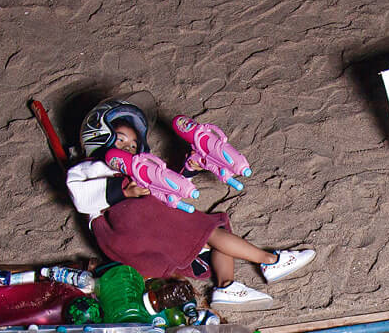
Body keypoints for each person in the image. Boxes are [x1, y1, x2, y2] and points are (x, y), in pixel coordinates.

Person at [65, 100, 314, 308]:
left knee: (215, 231)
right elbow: (80, 196)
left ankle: (226, 286)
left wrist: (187, 170)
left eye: (132, 145)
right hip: (123, 224)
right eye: (120, 141)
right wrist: (122, 190)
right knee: (204, 230)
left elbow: (166, 188)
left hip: (146, 233)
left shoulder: (139, 170)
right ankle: (270, 260)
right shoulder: (94, 168)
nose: (128, 149)